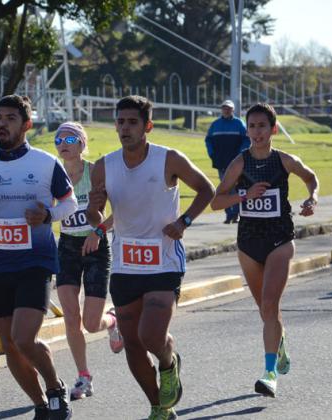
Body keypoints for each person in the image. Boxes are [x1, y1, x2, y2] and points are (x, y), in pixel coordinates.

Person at [87, 96, 214, 420]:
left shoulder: (168, 159)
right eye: (120, 122)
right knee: (132, 343)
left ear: (148, 126)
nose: (125, 128)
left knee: (151, 336)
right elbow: (95, 216)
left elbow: (206, 189)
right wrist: (94, 205)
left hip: (164, 261)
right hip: (126, 264)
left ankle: (169, 361)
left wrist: (183, 221)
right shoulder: (104, 165)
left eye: (132, 122)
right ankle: (158, 406)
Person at [0, 94, 77, 420]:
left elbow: (70, 203)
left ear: (26, 124)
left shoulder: (44, 162)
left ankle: (55, 389)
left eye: (10, 118)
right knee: (8, 343)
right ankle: (39, 404)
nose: (2, 124)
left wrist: (48, 214)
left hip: (34, 262)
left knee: (24, 338)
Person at [210, 103, 319, 398]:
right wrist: (244, 194)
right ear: (247, 130)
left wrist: (312, 198)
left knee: (270, 305)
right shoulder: (239, 164)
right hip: (248, 243)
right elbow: (216, 202)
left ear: (273, 128)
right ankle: (279, 345)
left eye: (262, 126)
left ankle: (269, 374)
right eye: (252, 126)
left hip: (279, 240)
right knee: (265, 311)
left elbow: (310, 177)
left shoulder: (285, 160)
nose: (256, 131)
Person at [52, 121, 124, 402]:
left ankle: (112, 320)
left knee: (91, 324)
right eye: (59, 139)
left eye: (70, 138)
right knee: (71, 318)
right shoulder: (52, 174)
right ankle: (84, 377)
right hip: (67, 247)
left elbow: (120, 209)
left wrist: (99, 231)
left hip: (96, 247)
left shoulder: (96, 172)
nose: (63, 144)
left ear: (82, 144)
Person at [204, 99, 250, 224]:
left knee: (234, 188)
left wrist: (241, 153)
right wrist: (212, 154)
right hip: (221, 162)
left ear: (233, 110)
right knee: (223, 188)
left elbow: (246, 140)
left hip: (236, 163)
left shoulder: (239, 123)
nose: (226, 110)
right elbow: (208, 140)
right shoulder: (215, 124)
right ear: (221, 110)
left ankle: (235, 214)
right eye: (224, 108)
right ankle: (229, 215)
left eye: (228, 108)